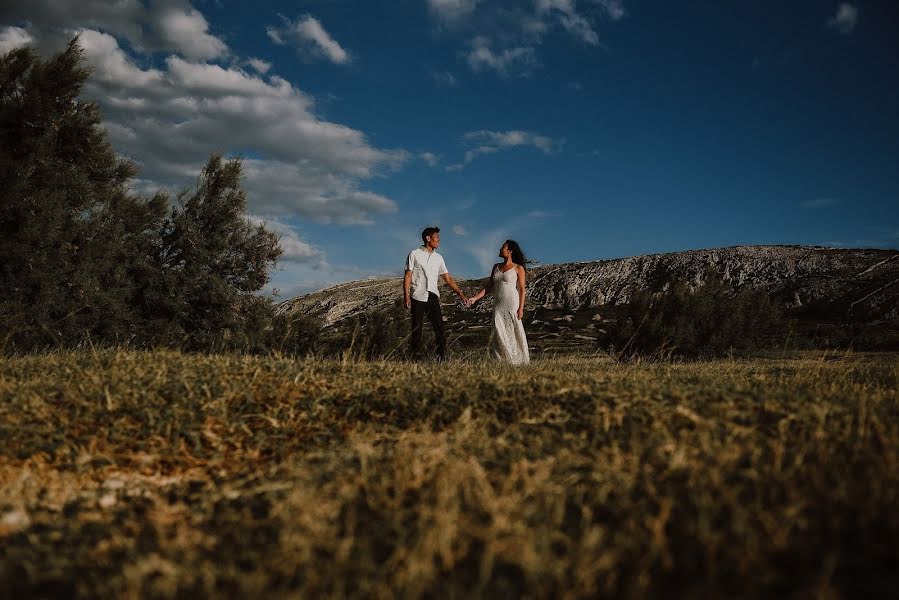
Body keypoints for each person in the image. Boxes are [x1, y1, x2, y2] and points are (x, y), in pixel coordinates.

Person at [403, 226, 468, 360]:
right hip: (417, 296)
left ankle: (440, 359)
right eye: (437, 237)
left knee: (440, 330)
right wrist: (406, 296)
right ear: (428, 238)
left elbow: (448, 278)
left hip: (432, 296)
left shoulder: (439, 258)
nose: (439, 240)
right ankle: (415, 360)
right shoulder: (414, 254)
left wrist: (460, 294)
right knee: (417, 330)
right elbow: (408, 276)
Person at [467, 240, 530, 365]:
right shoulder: (496, 267)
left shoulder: (518, 268)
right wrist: (475, 298)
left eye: (503, 247)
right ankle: (502, 361)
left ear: (509, 251)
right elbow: (488, 287)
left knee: (513, 330)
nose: (500, 249)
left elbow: (522, 289)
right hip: (498, 304)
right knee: (499, 331)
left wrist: (521, 308)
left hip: (512, 302)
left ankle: (518, 361)